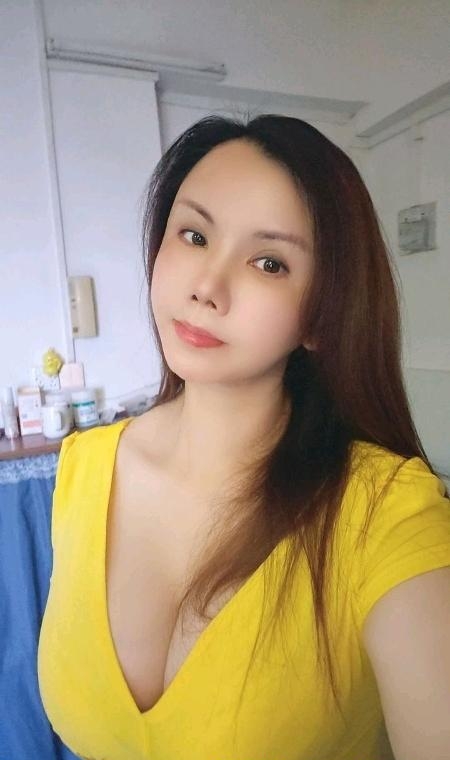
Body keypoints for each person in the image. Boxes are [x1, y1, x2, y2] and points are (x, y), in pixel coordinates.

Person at [37, 113, 450, 760]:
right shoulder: (83, 466)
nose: (207, 286)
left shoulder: (384, 509)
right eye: (194, 235)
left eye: (269, 262)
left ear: (321, 317)